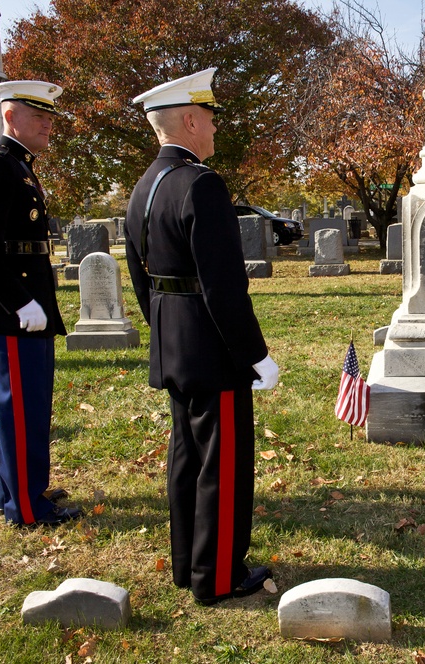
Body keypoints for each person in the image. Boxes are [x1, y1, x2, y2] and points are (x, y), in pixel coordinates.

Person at [125, 68, 278, 605]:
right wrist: (254, 354)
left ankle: (189, 563)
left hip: (173, 343)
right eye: (209, 119)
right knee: (222, 465)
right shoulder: (202, 185)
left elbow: (142, 278)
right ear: (189, 120)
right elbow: (223, 285)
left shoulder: (144, 187)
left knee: (187, 458)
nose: (213, 129)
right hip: (213, 350)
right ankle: (218, 577)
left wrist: (164, 329)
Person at [0, 80, 82, 526]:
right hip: (13, 313)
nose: (49, 124)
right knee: (20, 411)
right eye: (39, 116)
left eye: (50, 117)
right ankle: (26, 509)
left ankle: (22, 488)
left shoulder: (19, 167)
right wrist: (18, 301)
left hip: (29, 308)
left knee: (30, 408)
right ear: (10, 116)